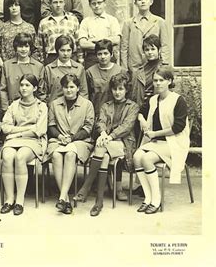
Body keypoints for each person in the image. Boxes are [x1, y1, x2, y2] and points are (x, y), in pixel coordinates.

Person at [74, 73, 139, 216]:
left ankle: (86, 187)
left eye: (121, 89)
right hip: (106, 143)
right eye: (115, 89)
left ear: (126, 90)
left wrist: (109, 136)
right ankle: (99, 202)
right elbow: (100, 121)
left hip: (124, 143)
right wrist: (103, 134)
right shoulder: (106, 105)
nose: (117, 92)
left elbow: (127, 126)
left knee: (100, 146)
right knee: (103, 157)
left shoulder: (132, 106)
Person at [133, 66, 189, 214]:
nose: (157, 83)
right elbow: (141, 112)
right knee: (136, 157)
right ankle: (148, 198)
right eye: (155, 80)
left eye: (161, 80)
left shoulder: (178, 100)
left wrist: (156, 133)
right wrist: (142, 120)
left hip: (174, 141)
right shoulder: (152, 100)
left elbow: (178, 127)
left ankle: (156, 200)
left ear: (169, 81)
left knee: (146, 159)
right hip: (156, 142)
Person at [45, 74, 94, 215]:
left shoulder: (87, 104)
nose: (69, 90)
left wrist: (72, 138)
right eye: (66, 87)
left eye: (72, 87)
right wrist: (60, 136)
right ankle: (65, 199)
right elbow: (51, 125)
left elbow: (88, 127)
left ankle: (61, 197)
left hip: (80, 141)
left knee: (70, 154)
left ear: (78, 88)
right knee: (56, 155)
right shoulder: (55, 104)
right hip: (58, 140)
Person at [0, 74, 48, 215]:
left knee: (20, 156)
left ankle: (20, 200)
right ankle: (9, 199)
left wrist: (16, 133)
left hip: (33, 141)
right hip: (14, 139)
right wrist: (25, 129)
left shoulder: (41, 106)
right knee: (7, 156)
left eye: (27, 85)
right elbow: (5, 127)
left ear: (34, 88)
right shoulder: (14, 105)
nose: (24, 88)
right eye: (22, 85)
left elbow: (39, 130)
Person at [120, 0, 170, 74]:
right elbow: (124, 48)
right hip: (135, 68)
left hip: (154, 67)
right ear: (135, 3)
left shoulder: (159, 22)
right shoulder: (128, 23)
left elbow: (165, 45)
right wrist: (124, 68)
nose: (143, 1)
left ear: (151, 2)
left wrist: (164, 66)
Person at [0, 33, 45, 114]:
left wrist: (39, 109)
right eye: (20, 46)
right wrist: (6, 109)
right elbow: (3, 89)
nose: (23, 49)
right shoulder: (7, 65)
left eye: (26, 46)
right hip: (12, 108)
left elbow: (41, 92)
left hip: (32, 110)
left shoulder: (38, 66)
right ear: (16, 48)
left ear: (30, 48)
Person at [77, 0, 121, 69]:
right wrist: (105, 43)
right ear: (90, 5)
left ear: (104, 3)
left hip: (109, 57)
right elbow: (83, 43)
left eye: (99, 3)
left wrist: (96, 40)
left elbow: (116, 39)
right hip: (92, 58)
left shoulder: (112, 20)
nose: (96, 6)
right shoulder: (85, 22)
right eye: (94, 3)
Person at [38, 0, 79, 65]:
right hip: (52, 57)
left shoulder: (73, 19)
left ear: (64, 3)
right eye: (55, 2)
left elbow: (78, 42)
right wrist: (42, 62)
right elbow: (40, 47)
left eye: (60, 2)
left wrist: (80, 60)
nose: (58, 5)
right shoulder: (44, 22)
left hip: (70, 57)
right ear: (50, 4)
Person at [43, 35, 88, 104]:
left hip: (75, 108)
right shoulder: (49, 69)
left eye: (68, 50)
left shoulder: (79, 68)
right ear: (57, 50)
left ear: (72, 51)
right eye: (62, 50)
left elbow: (83, 92)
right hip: (54, 108)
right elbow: (44, 93)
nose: (65, 54)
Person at [86, 39, 123, 118]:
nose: (103, 57)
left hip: (116, 114)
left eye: (106, 53)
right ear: (96, 55)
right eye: (99, 54)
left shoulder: (120, 71)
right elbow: (87, 95)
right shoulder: (90, 72)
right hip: (97, 114)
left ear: (111, 54)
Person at [0, 0, 38, 64]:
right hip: (7, 67)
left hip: (25, 66)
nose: (14, 8)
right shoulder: (2, 28)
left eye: (16, 5)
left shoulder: (29, 28)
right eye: (11, 6)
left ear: (21, 7)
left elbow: (35, 50)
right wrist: (2, 65)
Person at [130, 35, 163, 107]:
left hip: (158, 108)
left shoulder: (164, 69)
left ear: (159, 50)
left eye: (153, 49)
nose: (150, 52)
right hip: (142, 108)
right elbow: (134, 94)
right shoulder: (139, 71)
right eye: (147, 50)